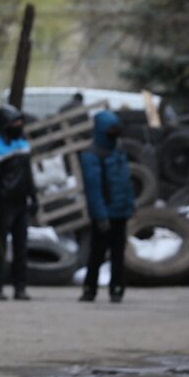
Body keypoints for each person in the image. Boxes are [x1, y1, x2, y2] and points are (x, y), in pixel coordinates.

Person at [79, 110, 136, 303]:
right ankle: (89, 290)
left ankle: (117, 290)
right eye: (112, 128)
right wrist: (101, 215)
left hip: (120, 212)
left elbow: (125, 183)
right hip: (104, 214)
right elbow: (93, 189)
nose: (116, 131)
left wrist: (129, 206)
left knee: (119, 254)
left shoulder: (118, 150)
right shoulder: (92, 155)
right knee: (97, 253)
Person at [0, 104, 37, 301]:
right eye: (15, 122)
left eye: (20, 122)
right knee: (0, 247)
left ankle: (20, 287)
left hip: (21, 203)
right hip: (4, 205)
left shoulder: (22, 144)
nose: (19, 125)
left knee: (21, 248)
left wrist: (34, 196)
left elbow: (28, 175)